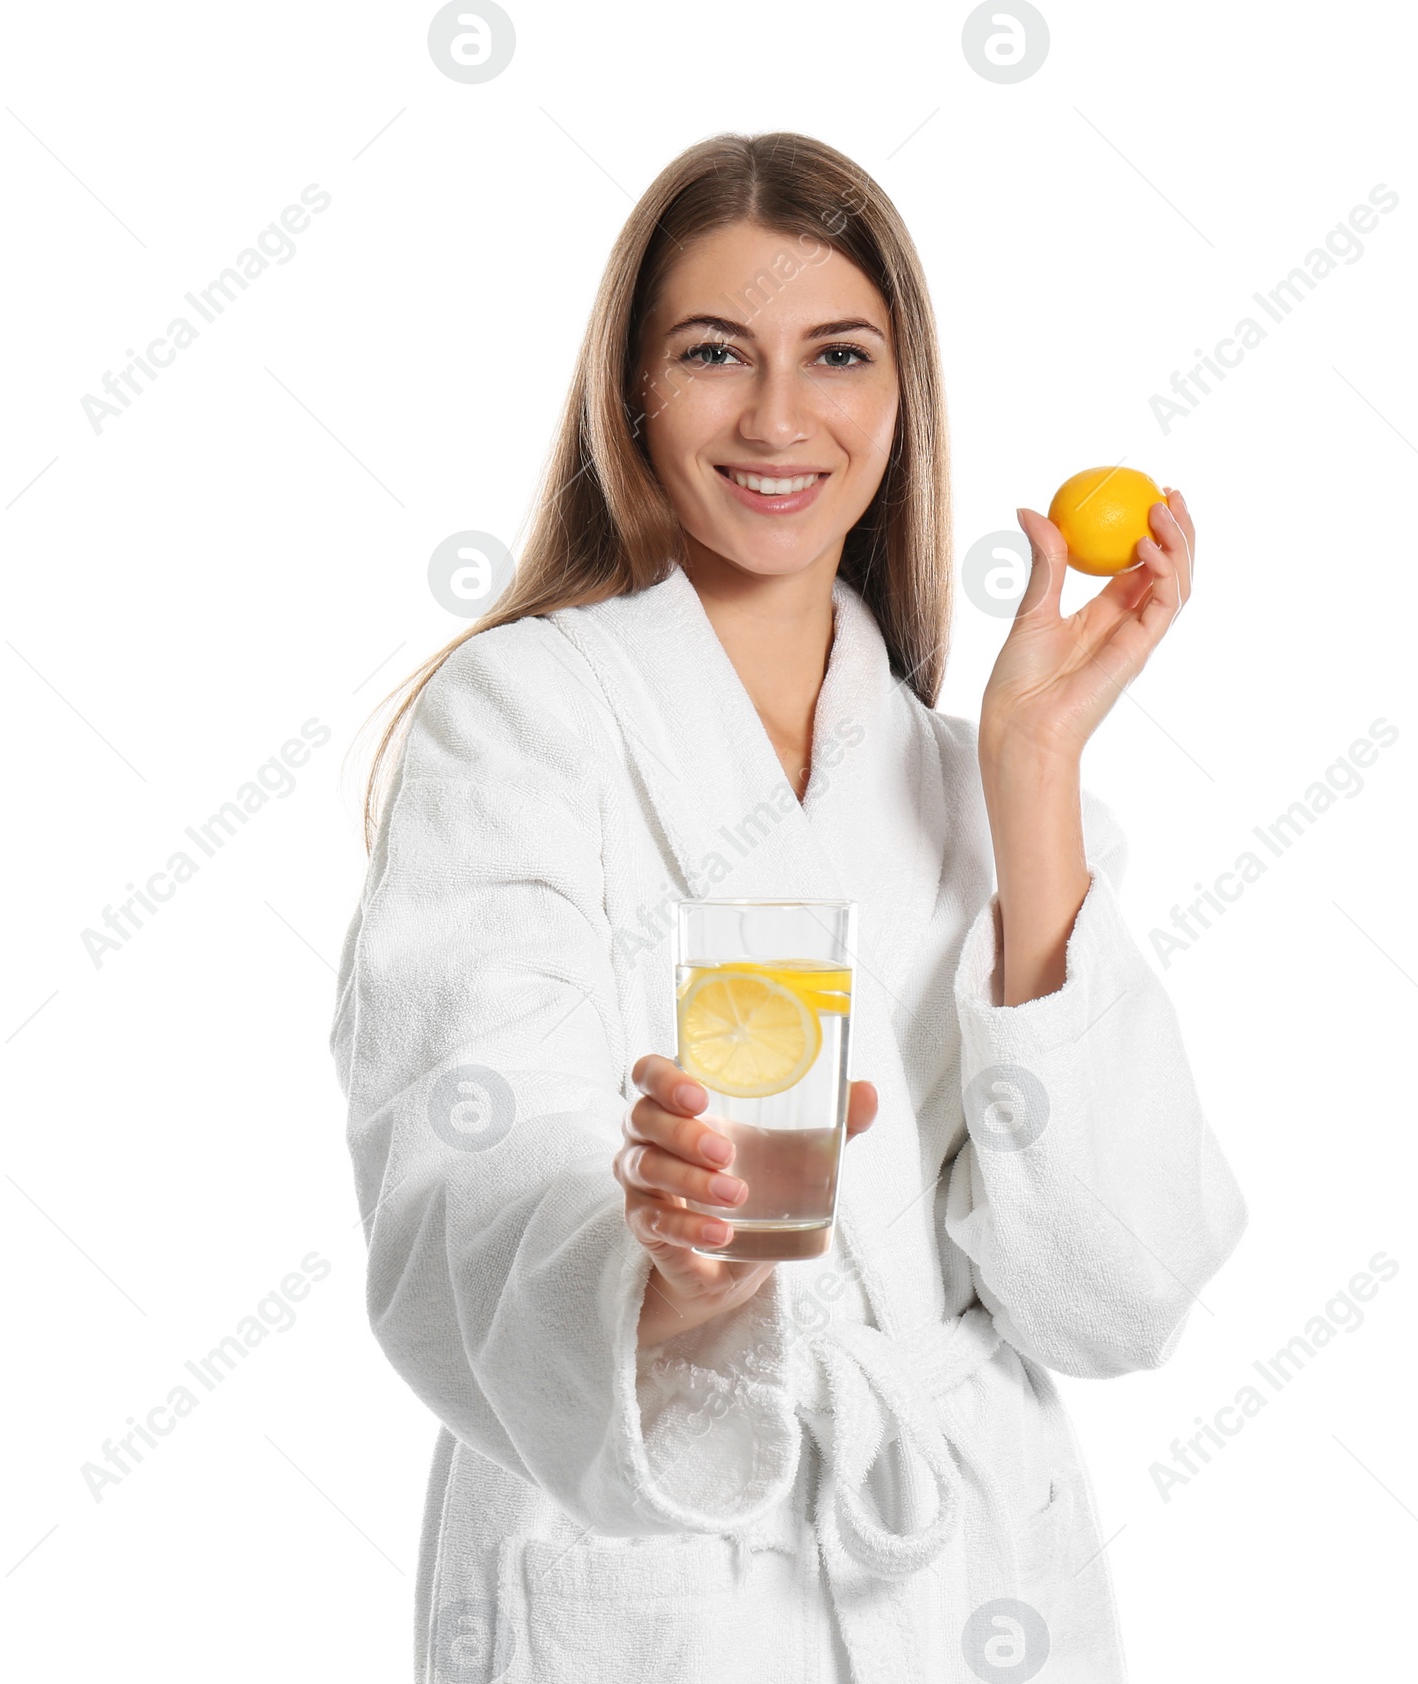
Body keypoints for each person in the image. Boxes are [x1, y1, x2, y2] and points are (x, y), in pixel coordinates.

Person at [331, 129, 1248, 1684]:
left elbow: (1117, 1293)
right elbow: (449, 1156)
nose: (778, 417)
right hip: (641, 1566)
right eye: (712, 352)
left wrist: (1032, 769)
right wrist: (672, 1269)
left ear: (900, 402)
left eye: (838, 356)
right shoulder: (523, 719)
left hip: (967, 1577)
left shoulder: (973, 785)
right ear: (632, 389)